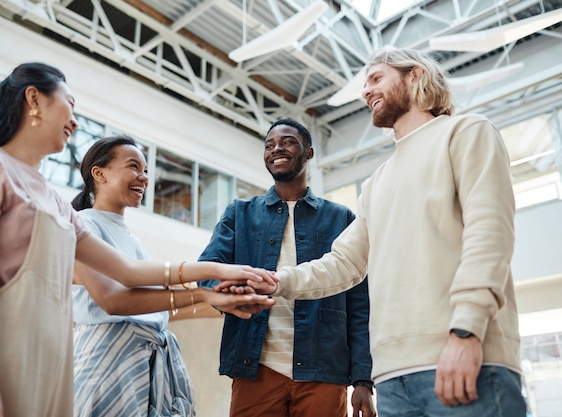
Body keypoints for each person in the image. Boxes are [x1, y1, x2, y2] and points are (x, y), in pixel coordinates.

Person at [0, 62, 276, 417]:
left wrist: (218, 274)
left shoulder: (55, 202)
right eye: (69, 103)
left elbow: (127, 271)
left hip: (48, 365)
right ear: (34, 99)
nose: (76, 121)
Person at [224, 47, 526, 417]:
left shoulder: (466, 133)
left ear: (415, 75)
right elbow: (343, 264)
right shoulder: (378, 181)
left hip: (465, 356)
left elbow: (489, 235)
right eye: (364, 85)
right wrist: (276, 281)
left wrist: (467, 330)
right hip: (394, 377)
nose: (366, 91)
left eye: (376, 78)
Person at [71, 134, 274, 417]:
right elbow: (114, 301)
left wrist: (219, 299)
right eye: (133, 167)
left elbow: (151, 305)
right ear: (99, 173)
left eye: (145, 171)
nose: (143, 178)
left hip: (146, 360)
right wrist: (211, 281)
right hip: (107, 359)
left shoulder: (132, 238)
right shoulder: (82, 224)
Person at [199, 118, 375, 417]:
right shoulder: (239, 213)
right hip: (255, 368)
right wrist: (228, 294)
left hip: (324, 370)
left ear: (309, 152)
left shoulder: (341, 218)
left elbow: (360, 304)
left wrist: (363, 379)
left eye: (288, 141)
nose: (276, 148)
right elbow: (207, 272)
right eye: (269, 145)